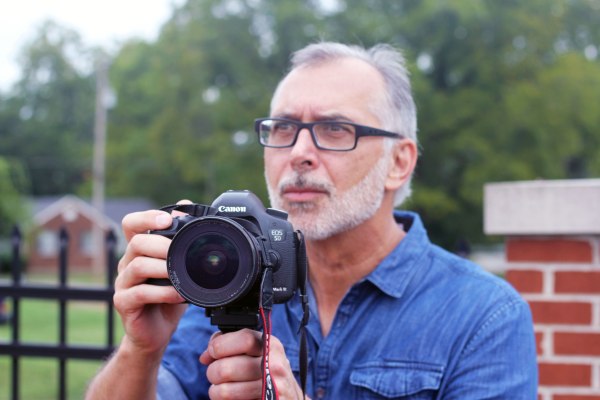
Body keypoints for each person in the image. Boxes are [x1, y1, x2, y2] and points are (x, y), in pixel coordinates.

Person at [86, 42, 538, 399]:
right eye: (283, 129)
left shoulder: (484, 316)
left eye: (334, 129)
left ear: (399, 162)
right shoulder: (224, 280)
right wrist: (140, 352)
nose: (299, 152)